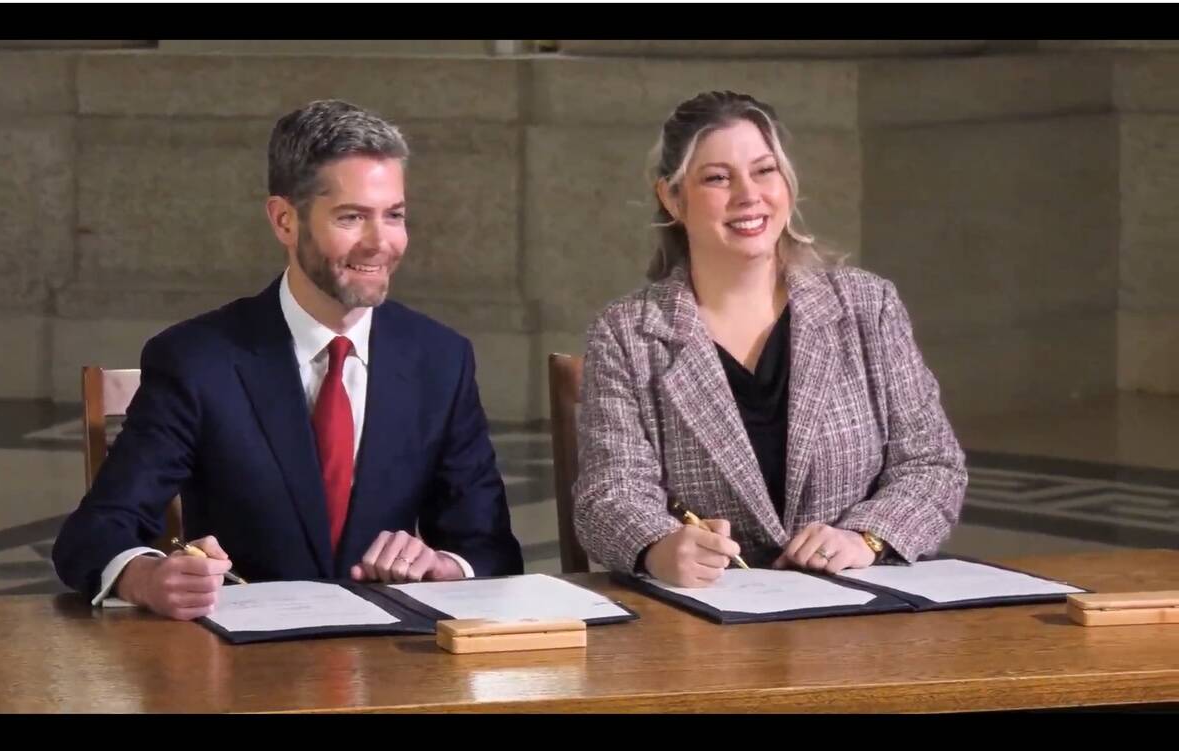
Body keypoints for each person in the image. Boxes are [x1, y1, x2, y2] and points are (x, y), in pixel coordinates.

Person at [53, 99, 523, 619]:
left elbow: (489, 548)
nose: (380, 243)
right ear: (284, 220)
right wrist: (146, 577)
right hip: (244, 654)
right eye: (351, 217)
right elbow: (94, 533)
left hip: (392, 653)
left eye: (394, 216)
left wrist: (445, 567)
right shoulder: (198, 360)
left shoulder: (441, 359)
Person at [573, 90, 966, 588]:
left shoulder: (868, 306)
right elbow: (608, 494)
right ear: (672, 198)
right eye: (718, 178)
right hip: (708, 617)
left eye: (764, 171)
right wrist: (658, 547)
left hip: (861, 606)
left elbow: (932, 465)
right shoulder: (626, 333)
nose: (748, 195)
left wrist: (865, 537)